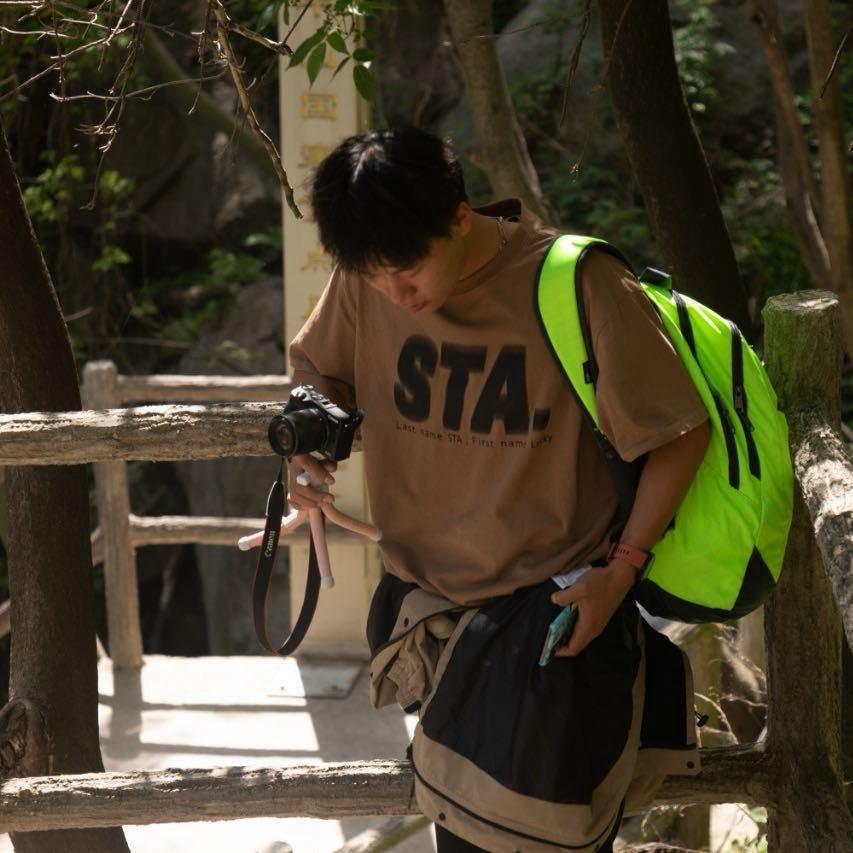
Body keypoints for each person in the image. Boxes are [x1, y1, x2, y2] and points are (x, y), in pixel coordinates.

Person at [287, 127, 710, 853]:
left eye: (407, 272)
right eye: (375, 278)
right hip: (427, 623)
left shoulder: (576, 282)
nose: (395, 295)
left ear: (459, 216)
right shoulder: (370, 272)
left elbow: (679, 434)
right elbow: (316, 370)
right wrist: (305, 455)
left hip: (545, 623)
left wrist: (621, 570)